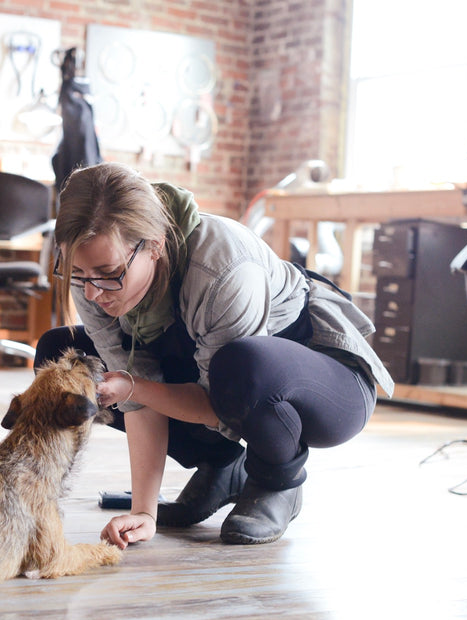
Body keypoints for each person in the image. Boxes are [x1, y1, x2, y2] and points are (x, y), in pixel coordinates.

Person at [35, 162, 394, 548]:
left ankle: (277, 481)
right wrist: (144, 512)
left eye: (108, 273)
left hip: (323, 380)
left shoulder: (223, 267)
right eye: (79, 274)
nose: (91, 293)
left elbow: (214, 403)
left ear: (155, 245)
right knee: (62, 356)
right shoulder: (94, 275)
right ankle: (223, 465)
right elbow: (136, 390)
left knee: (241, 367)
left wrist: (135, 389)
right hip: (224, 380)